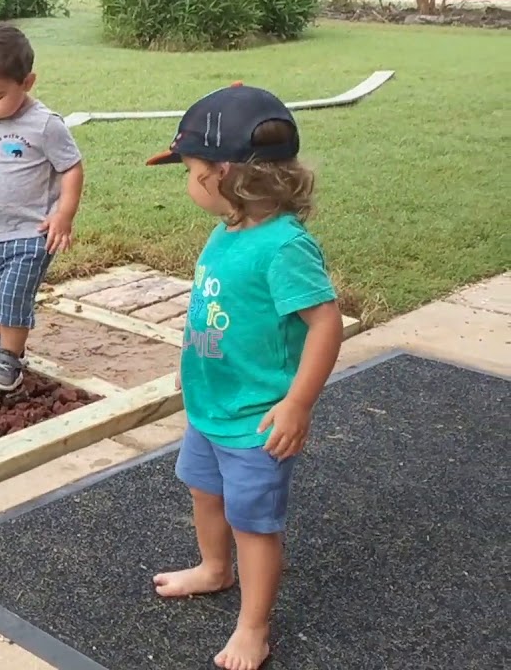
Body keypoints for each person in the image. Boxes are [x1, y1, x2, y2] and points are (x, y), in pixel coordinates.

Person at [145, 83, 344, 670]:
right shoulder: (228, 230)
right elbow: (216, 311)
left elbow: (326, 324)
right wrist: (192, 364)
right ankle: (214, 569)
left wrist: (298, 404)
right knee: (204, 493)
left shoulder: (284, 247)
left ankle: (254, 627)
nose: (188, 182)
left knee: (253, 523)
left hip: (257, 419)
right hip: (211, 405)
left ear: (225, 174)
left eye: (191, 171)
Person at [0, 22, 84, 392]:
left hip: (31, 232)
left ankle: (11, 358)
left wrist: (64, 215)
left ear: (27, 82)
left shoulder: (45, 125)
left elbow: (71, 168)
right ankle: (0, 343)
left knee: (13, 297)